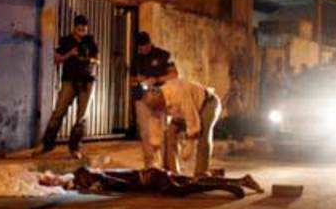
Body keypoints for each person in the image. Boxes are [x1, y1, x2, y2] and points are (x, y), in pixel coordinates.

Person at [34, 15, 98, 159]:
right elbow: (56, 59)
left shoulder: (90, 41)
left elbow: (97, 60)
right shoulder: (66, 41)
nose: (82, 30)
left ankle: (75, 147)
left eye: (84, 27)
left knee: (81, 117)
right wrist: (70, 54)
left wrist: (89, 59)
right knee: (59, 112)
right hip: (69, 81)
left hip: (87, 82)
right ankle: (47, 144)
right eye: (79, 27)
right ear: (74, 27)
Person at [143, 78, 222, 175]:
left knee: (203, 136)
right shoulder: (156, 102)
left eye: (159, 108)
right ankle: (172, 171)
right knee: (169, 134)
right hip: (181, 112)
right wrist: (156, 147)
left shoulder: (178, 92)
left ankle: (201, 173)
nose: (159, 111)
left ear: (161, 99)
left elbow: (191, 116)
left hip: (207, 104)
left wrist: (190, 143)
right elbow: (155, 121)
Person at [130, 32, 178, 169]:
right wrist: (138, 80)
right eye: (140, 47)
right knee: (145, 132)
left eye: (145, 46)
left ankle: (166, 165)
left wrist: (156, 80)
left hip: (161, 97)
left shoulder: (163, 55)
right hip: (141, 97)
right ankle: (149, 166)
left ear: (150, 43)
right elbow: (131, 79)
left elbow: (174, 74)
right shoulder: (137, 58)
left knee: (163, 131)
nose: (143, 49)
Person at [71, 166, 264, 199]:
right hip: (154, 174)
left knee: (179, 191)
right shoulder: (102, 175)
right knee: (192, 180)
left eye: (83, 179)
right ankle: (240, 180)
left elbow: (122, 184)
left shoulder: (101, 177)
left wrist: (97, 184)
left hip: (153, 179)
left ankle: (228, 186)